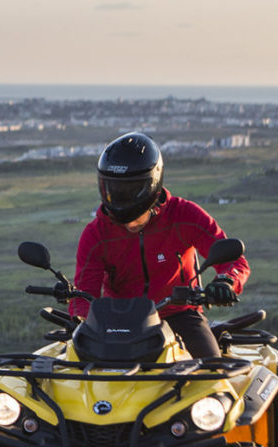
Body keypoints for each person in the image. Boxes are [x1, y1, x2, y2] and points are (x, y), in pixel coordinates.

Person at [69, 132, 249, 359]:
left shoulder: (185, 215)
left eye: (130, 189)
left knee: (211, 371)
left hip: (179, 315)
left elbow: (234, 261)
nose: (120, 196)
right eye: (113, 187)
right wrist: (81, 322)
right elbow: (84, 294)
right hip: (118, 322)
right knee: (79, 369)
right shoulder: (96, 234)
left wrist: (227, 281)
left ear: (152, 184)